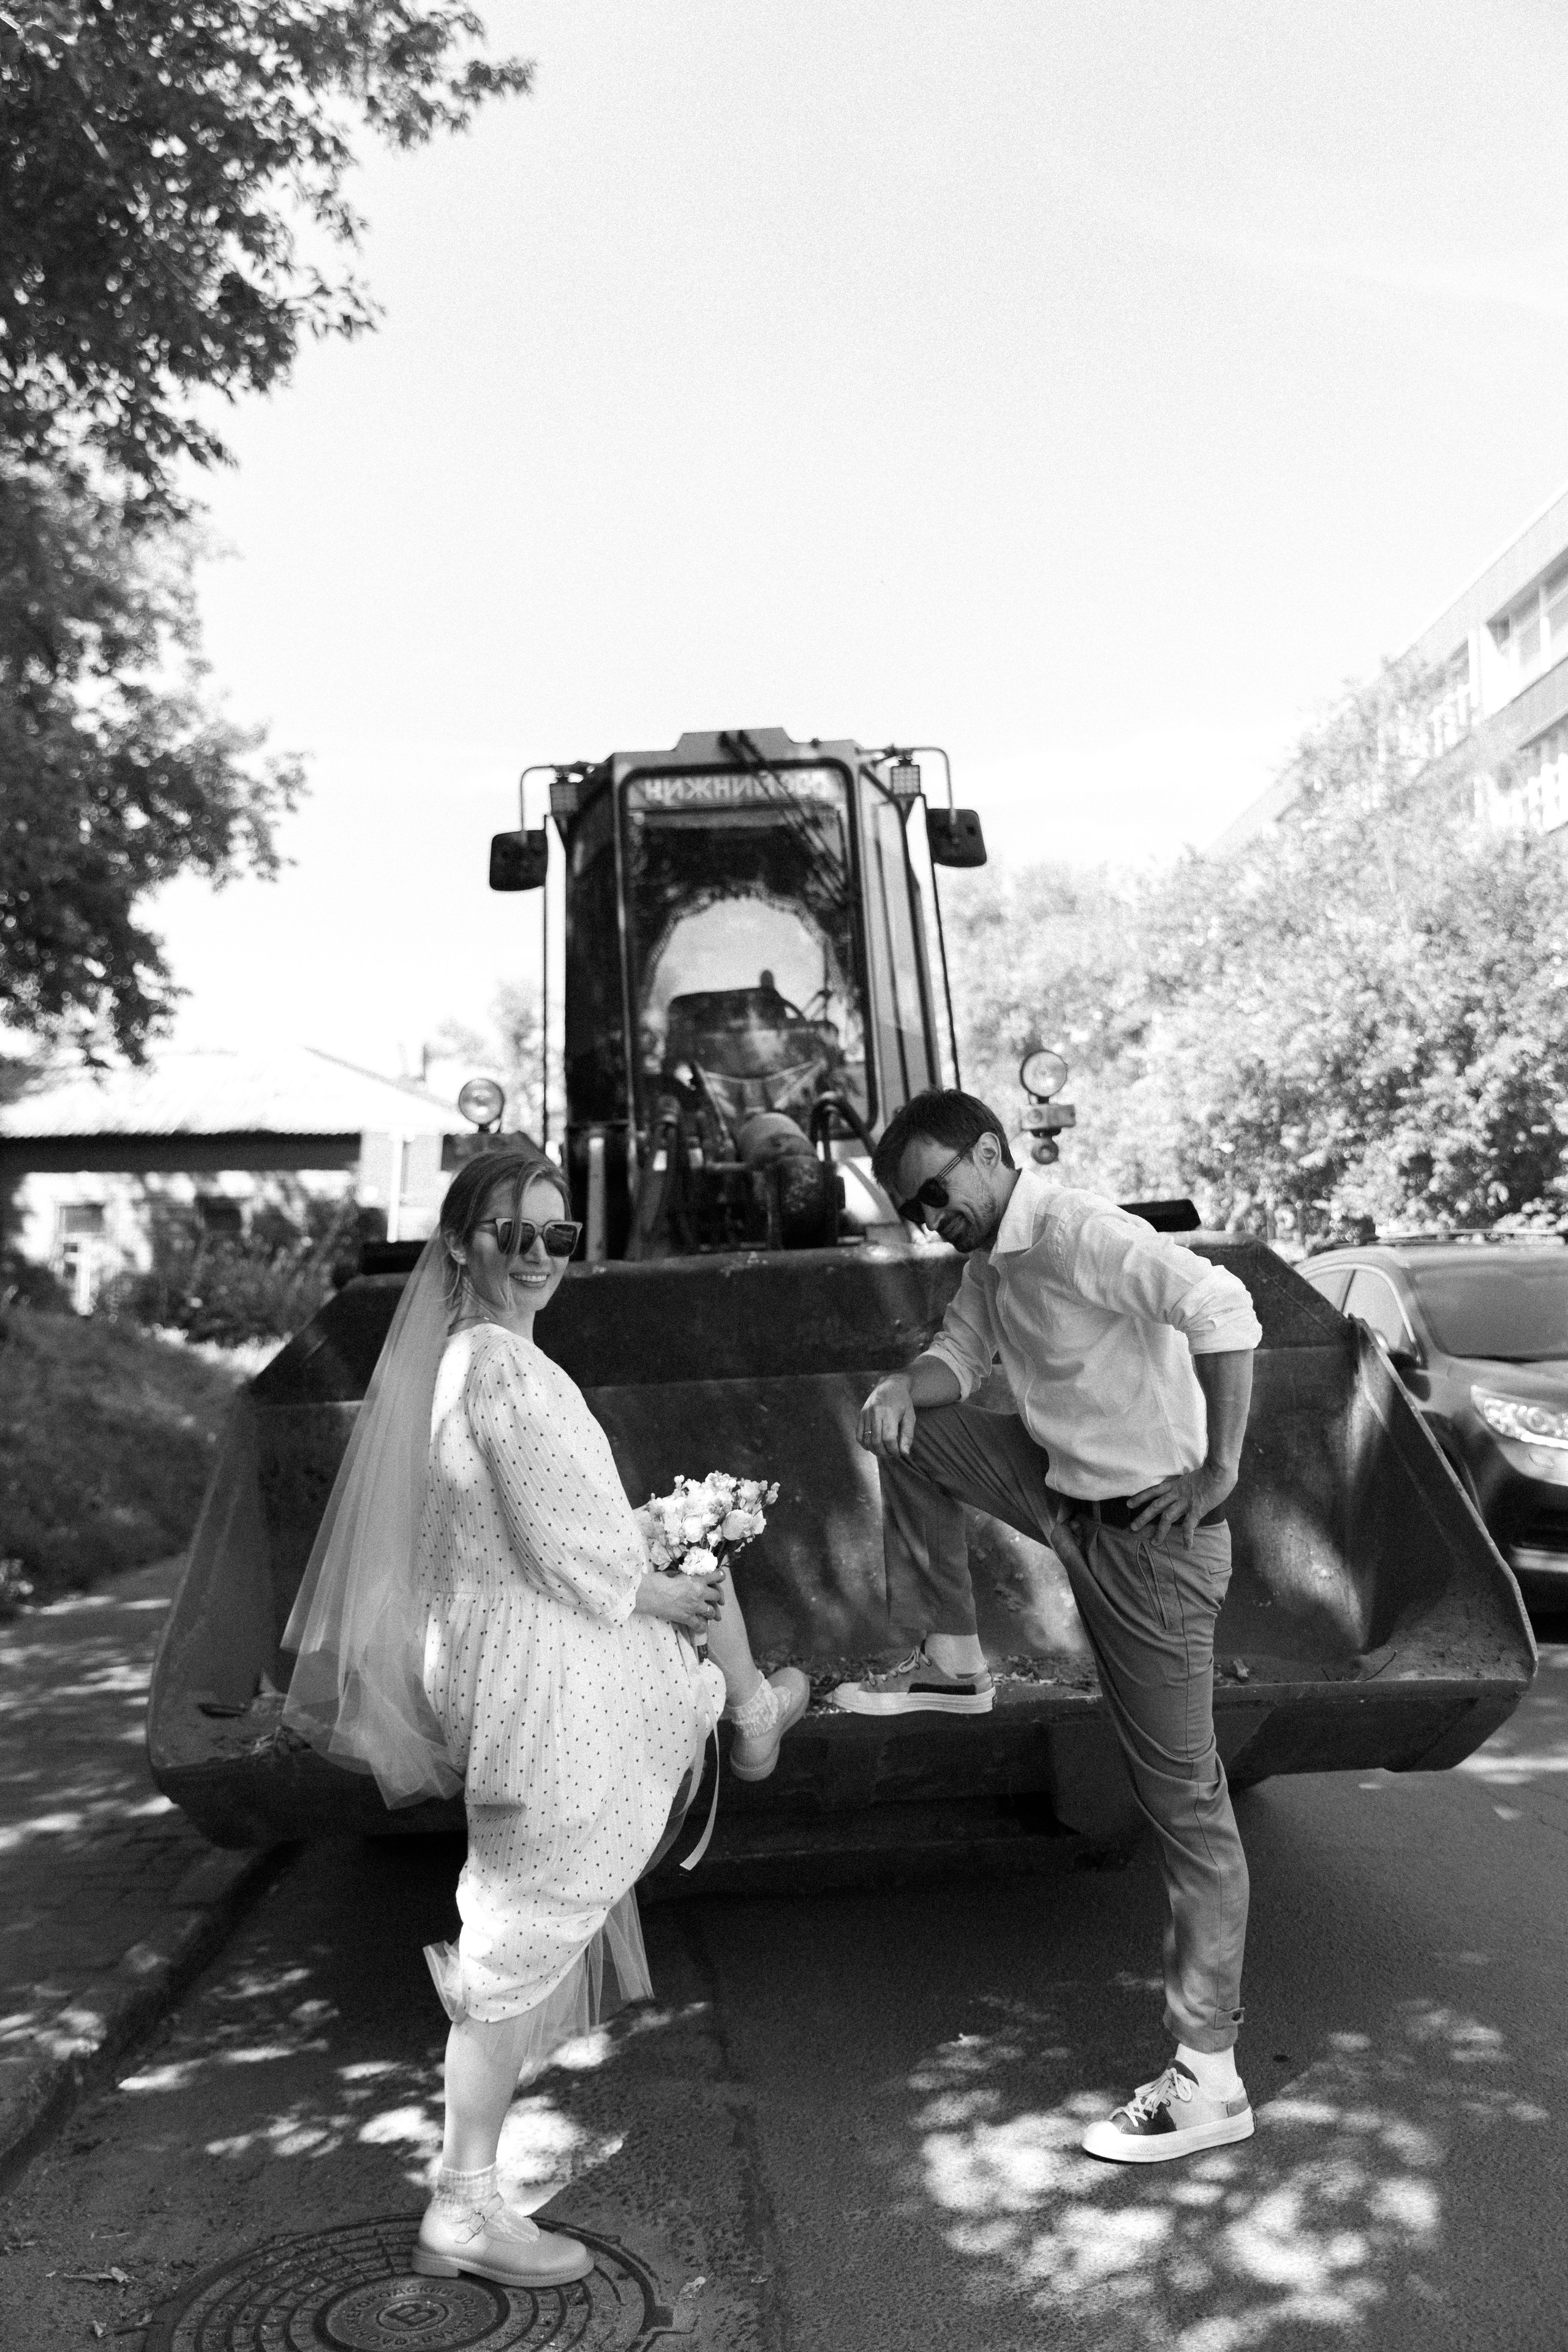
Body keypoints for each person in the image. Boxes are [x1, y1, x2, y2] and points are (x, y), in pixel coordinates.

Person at [284, 1145, 808, 2288]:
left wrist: (652, 1540)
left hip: (519, 1665)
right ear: (463, 1245)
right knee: (513, 1947)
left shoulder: (477, 1362)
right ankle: (464, 2206)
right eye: (510, 1235)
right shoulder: (502, 1368)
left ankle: (751, 1708)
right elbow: (564, 1543)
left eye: (556, 1237)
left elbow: (536, 1526)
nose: (535, 1258)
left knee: (522, 1933)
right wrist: (653, 1579)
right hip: (542, 1688)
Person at [836, 1090, 1262, 2163]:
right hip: (1064, 1495)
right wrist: (902, 1382)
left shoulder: (1078, 1231)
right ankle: (954, 1658)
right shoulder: (992, 1264)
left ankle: (1209, 2080)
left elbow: (1226, 1308)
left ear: (991, 1154)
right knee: (913, 1432)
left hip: (1149, 1543)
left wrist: (1220, 1472)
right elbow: (956, 1362)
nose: (933, 1217)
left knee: (1185, 1805)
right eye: (913, 1209)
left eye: (939, 1190)